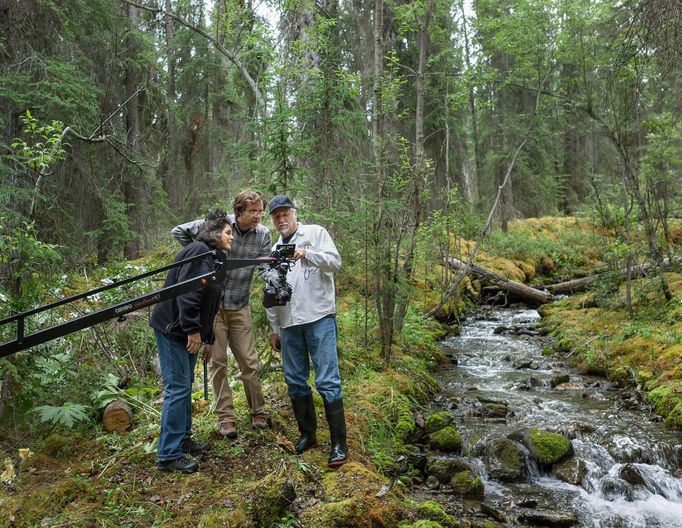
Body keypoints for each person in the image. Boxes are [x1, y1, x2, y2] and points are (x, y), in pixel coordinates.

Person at [171, 190, 272, 438]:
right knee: (218, 363)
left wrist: (275, 281)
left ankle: (258, 411)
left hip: (240, 306)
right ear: (239, 212)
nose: (258, 216)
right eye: (253, 211)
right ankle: (226, 418)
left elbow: (265, 267)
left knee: (249, 361)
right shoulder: (220, 226)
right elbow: (178, 231)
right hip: (213, 309)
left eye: (260, 211)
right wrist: (202, 256)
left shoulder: (263, 235)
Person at [265, 195, 348, 468]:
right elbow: (271, 292)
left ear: (294, 213)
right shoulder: (274, 249)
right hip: (289, 323)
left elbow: (335, 263)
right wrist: (275, 328)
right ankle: (308, 435)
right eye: (276, 216)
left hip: (319, 316)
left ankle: (338, 443)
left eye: (285, 213)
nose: (281, 219)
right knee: (295, 380)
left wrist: (306, 254)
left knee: (327, 379)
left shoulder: (315, 233)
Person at [150, 210, 234, 473]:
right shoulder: (199, 251)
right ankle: (168, 454)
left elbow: (209, 303)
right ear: (214, 233)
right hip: (174, 329)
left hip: (185, 330)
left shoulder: (212, 258)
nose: (232, 238)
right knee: (177, 387)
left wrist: (207, 338)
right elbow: (188, 295)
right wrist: (192, 331)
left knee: (185, 385)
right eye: (228, 232)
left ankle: (182, 441)